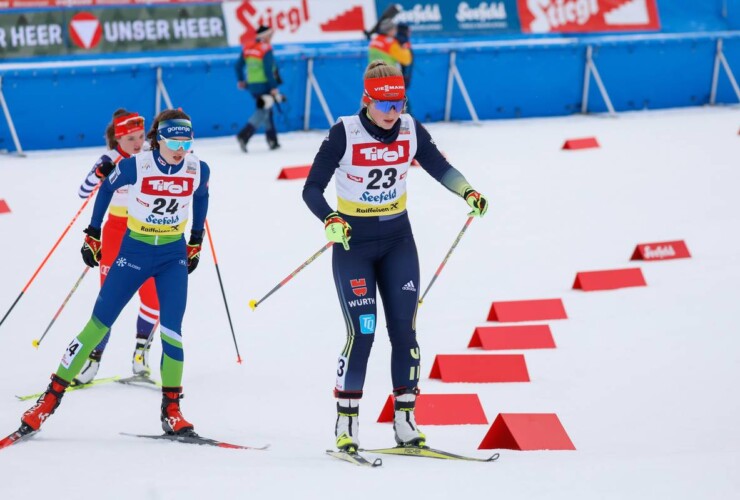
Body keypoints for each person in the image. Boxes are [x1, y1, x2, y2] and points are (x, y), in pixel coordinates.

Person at [302, 60, 488, 452]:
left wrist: (468, 191)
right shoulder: (344, 133)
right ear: (366, 101)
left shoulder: (409, 128)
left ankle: (405, 420)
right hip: (354, 244)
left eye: (399, 104)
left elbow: (440, 166)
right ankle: (347, 422)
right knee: (363, 332)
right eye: (385, 105)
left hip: (398, 241)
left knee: (404, 331)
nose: (393, 113)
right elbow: (311, 189)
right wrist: (330, 218)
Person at [18, 109, 210, 438]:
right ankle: (48, 401)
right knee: (96, 325)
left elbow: (202, 196)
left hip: (172, 255)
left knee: (172, 332)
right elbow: (106, 189)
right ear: (159, 138)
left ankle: (172, 410)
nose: (181, 148)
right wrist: (93, 232)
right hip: (134, 252)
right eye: (174, 140)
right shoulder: (139, 164)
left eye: (187, 140)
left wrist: (196, 240)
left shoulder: (197, 168)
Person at [74, 109, 159, 386]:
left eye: (141, 137)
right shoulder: (110, 159)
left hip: (145, 232)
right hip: (114, 233)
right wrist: (99, 173)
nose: (138, 143)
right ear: (118, 138)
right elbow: (83, 191)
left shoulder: (150, 153)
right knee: (109, 299)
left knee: (152, 297)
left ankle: (140, 356)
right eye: (131, 138)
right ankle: (92, 361)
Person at [235, 25, 282, 152]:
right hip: (265, 85)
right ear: (265, 36)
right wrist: (273, 87)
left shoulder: (248, 47)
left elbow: (238, 66)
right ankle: (244, 135)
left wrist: (241, 80)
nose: (271, 38)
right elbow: (268, 70)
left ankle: (273, 141)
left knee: (267, 111)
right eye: (270, 35)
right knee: (263, 112)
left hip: (252, 86)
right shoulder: (266, 49)